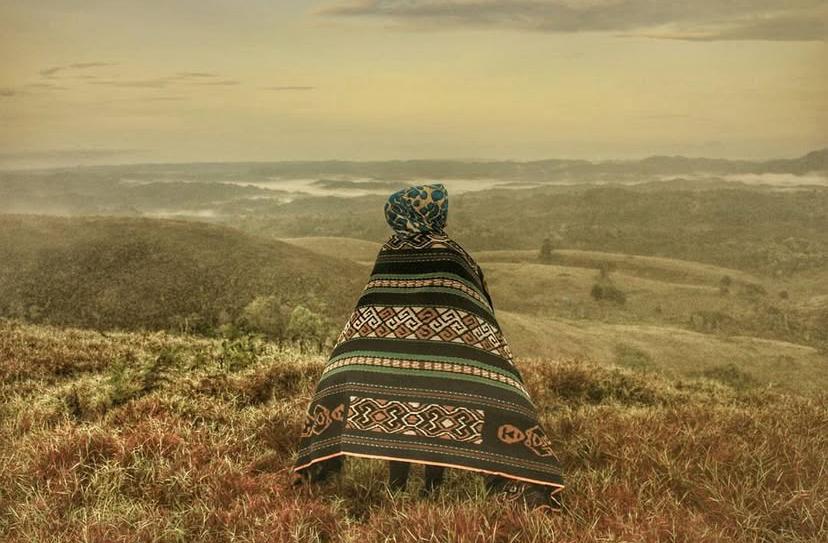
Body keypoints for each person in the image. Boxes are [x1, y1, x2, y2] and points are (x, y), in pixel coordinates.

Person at [291, 183, 564, 511]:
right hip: (444, 361)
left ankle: (398, 486)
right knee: (441, 411)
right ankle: (430, 488)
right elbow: (476, 304)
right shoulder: (451, 253)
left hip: (391, 362)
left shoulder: (390, 251)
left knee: (394, 413)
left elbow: (370, 310)